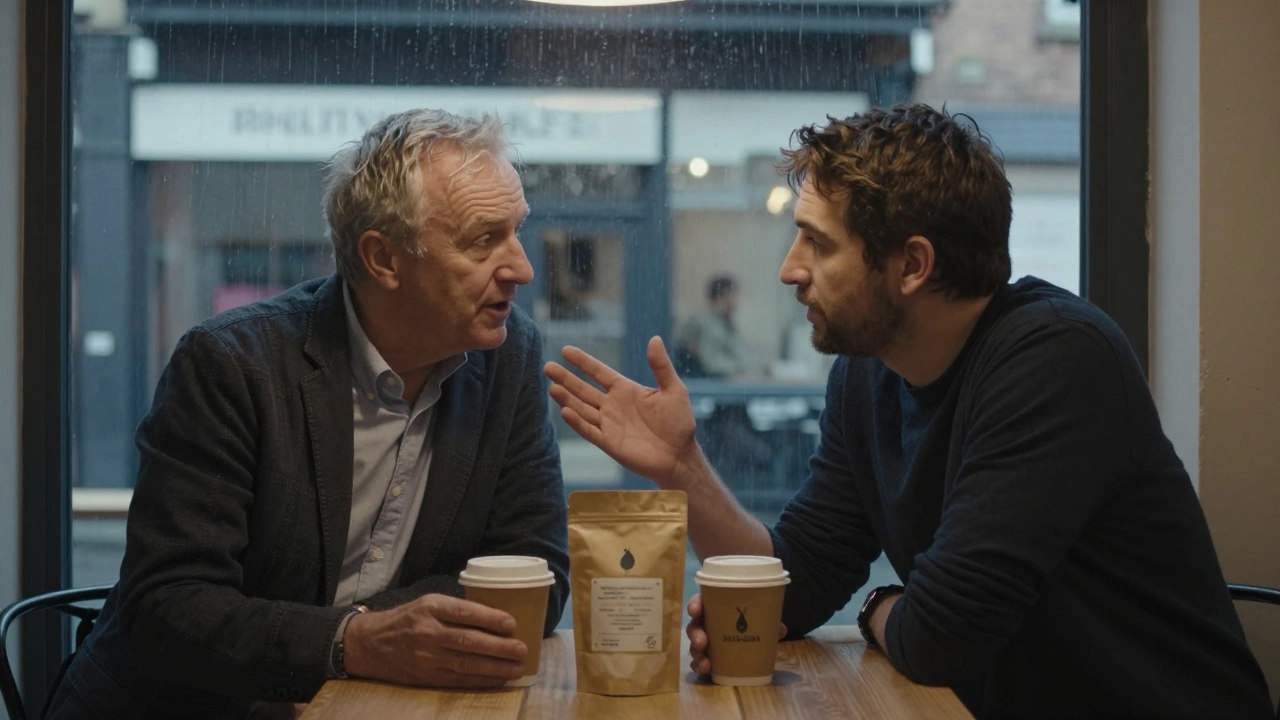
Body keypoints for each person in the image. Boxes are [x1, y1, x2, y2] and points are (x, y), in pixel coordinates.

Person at [544, 103, 1273, 719]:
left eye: (818, 243)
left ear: (913, 265)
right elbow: (794, 588)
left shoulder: (1057, 361)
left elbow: (941, 639)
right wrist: (683, 468)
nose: (789, 268)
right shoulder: (868, 377)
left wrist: (876, 608)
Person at [47, 109, 570, 720]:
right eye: (484, 240)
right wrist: (354, 643)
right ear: (384, 260)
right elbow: (168, 607)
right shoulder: (233, 366)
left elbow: (536, 571)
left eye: (516, 231)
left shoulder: (507, 356)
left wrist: (374, 643)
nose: (523, 269)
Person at [674, 275, 754, 379]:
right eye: (733, 296)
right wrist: (741, 372)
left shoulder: (724, 324)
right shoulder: (707, 324)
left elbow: (739, 354)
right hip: (709, 384)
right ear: (722, 297)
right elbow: (713, 363)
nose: (736, 302)